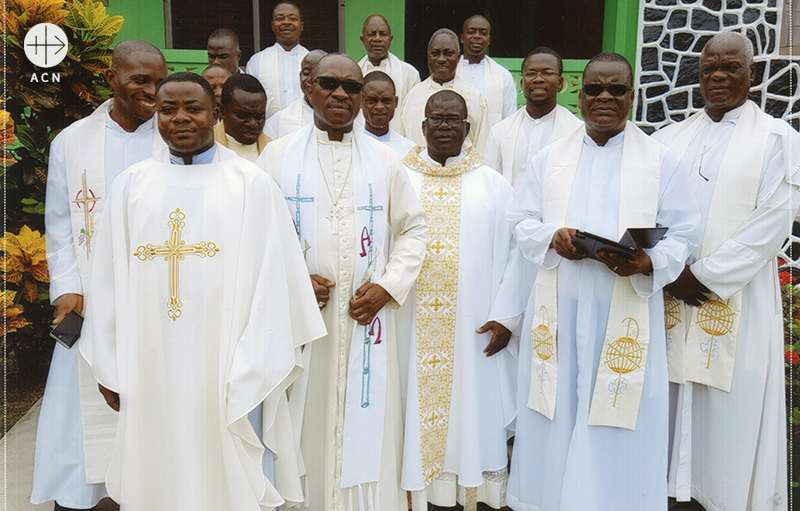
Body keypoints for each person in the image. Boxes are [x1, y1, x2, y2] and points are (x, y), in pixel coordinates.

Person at [79, 72, 326, 511]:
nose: (180, 118)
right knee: (157, 468)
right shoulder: (131, 187)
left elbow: (275, 280)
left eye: (193, 108)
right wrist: (109, 364)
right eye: (168, 108)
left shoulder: (251, 185)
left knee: (228, 471)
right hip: (149, 363)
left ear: (215, 114)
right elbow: (106, 282)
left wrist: (257, 360)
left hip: (228, 361)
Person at [506, 53, 701, 511]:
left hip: (625, 305)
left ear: (632, 97)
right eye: (595, 89)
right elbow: (520, 220)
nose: (605, 98)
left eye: (617, 90)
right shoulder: (549, 157)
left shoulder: (660, 159)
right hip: (561, 307)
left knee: (617, 413)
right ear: (580, 92)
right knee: (557, 410)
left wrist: (647, 262)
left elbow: (687, 231)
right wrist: (551, 237)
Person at [257, 53, 429, 511]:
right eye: (329, 84)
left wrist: (388, 286)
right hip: (302, 323)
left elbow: (415, 228)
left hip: (364, 318)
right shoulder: (276, 155)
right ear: (308, 88)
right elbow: (254, 234)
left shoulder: (387, 158)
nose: (340, 94)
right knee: (302, 419)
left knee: (367, 422)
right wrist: (291, 280)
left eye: (351, 87)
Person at [653, 31, 800, 511]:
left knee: (730, 413)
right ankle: (672, 493)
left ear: (750, 74)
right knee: (671, 402)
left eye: (730, 67)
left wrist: (705, 276)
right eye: (708, 68)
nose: (717, 76)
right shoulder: (669, 138)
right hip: (672, 293)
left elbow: (771, 223)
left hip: (736, 298)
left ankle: (725, 498)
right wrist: (666, 267)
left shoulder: (778, 140)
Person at [33, 39, 169, 511]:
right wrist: (68, 288)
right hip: (92, 301)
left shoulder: (172, 138)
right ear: (111, 79)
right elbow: (60, 227)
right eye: (139, 80)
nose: (152, 91)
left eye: (159, 80)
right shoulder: (71, 142)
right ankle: (88, 498)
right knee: (85, 413)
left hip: (158, 300)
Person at [399, 90, 521, 511]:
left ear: (468, 129)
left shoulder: (494, 186)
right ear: (423, 126)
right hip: (408, 327)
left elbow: (516, 257)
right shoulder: (399, 178)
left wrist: (506, 316)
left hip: (475, 329)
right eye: (437, 119)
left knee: (472, 409)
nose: (445, 126)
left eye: (454, 120)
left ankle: (471, 490)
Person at [484, 47, 582, 189]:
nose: (538, 79)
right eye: (531, 74)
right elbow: (490, 184)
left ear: (560, 82)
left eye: (547, 73)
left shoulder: (576, 131)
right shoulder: (500, 132)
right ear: (522, 83)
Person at [399, 29, 489, 152]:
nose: (441, 59)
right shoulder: (413, 96)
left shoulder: (474, 97)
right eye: (435, 53)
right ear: (427, 56)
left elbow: (482, 146)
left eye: (448, 53)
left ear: (458, 58)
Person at [357, 14, 421, 130]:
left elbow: (414, 117)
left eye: (383, 34)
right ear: (363, 39)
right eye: (371, 34)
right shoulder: (354, 73)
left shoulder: (409, 74)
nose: (377, 39)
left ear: (390, 39)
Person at [246, 0, 308, 118]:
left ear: (301, 26)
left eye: (292, 19)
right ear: (272, 26)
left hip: (308, 131)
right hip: (269, 133)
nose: (286, 22)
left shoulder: (314, 61)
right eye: (280, 19)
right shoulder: (257, 61)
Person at [455, 15, 517, 128]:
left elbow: (509, 121)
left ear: (489, 40)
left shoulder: (503, 76)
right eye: (471, 32)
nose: (477, 37)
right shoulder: (450, 72)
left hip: (490, 143)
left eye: (483, 33)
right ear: (462, 38)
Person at [263, 49, 326, 139]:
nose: (310, 79)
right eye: (306, 73)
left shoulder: (347, 118)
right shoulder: (279, 121)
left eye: (318, 73)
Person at [214, 73, 271, 161]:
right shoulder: (203, 149)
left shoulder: (275, 152)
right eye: (243, 116)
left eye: (259, 117)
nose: (252, 124)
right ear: (221, 111)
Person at [361, 71, 415, 159]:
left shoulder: (410, 150)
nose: (379, 107)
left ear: (396, 102)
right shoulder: (348, 145)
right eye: (372, 100)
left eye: (386, 100)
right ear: (361, 101)